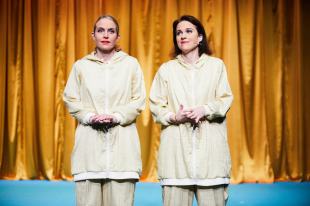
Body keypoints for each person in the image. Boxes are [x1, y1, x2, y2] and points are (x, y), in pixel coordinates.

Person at [150, 15, 233, 206]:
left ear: (200, 37)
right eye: (178, 33)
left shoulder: (216, 66)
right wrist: (174, 116)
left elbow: (225, 98)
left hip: (211, 155)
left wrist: (204, 109)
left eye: (188, 31)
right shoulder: (166, 70)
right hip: (176, 157)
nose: (182, 36)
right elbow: (156, 104)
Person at [63, 15, 146, 206]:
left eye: (111, 31)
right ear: (93, 35)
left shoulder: (130, 64)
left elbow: (138, 99)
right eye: (101, 30)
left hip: (123, 150)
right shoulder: (81, 66)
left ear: (118, 36)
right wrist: (90, 117)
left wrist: (116, 116)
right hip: (88, 150)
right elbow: (71, 98)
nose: (106, 35)